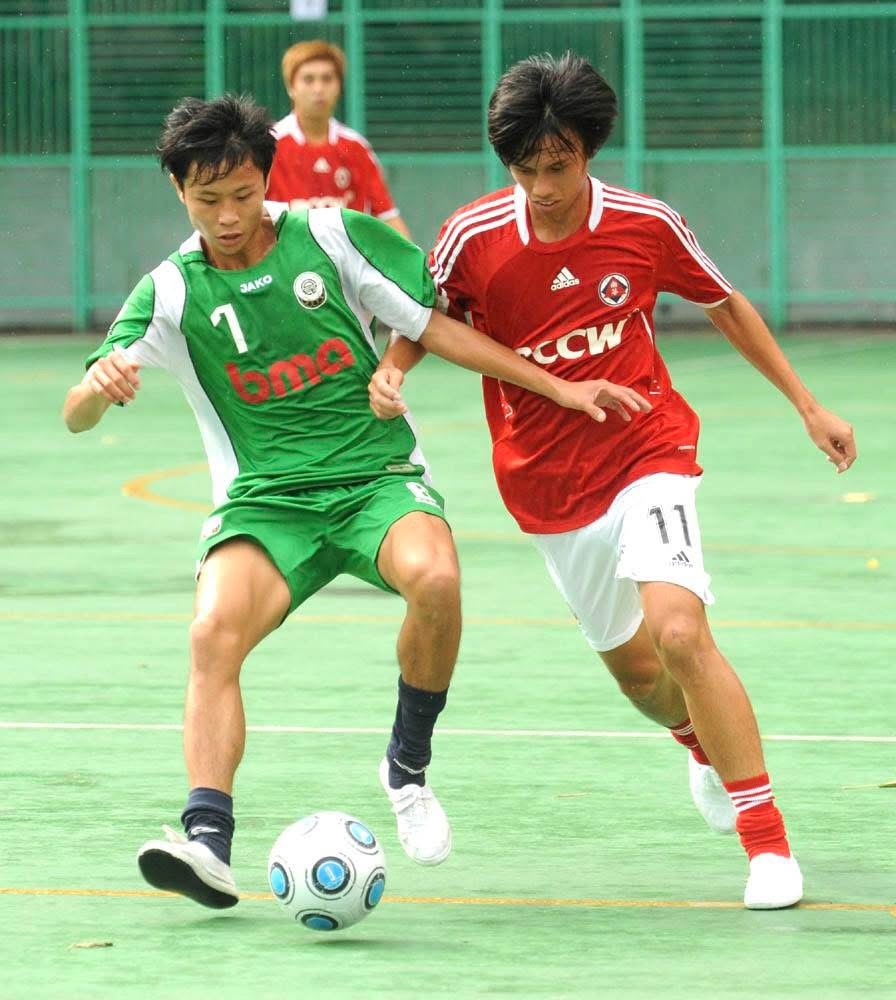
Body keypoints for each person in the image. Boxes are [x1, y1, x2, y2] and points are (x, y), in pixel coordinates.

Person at [61, 93, 645, 910]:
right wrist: (99, 384)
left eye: (243, 194)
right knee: (210, 633)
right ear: (177, 190)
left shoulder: (331, 235)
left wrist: (557, 386)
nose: (227, 216)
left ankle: (406, 766)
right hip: (267, 503)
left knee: (436, 580)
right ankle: (207, 843)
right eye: (206, 199)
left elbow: (433, 323)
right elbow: (76, 415)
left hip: (376, 478)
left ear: (268, 179)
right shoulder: (168, 291)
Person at [369, 53, 858, 910]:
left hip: (646, 449)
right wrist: (394, 368)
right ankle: (698, 744)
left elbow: (725, 304)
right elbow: (425, 315)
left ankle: (768, 844)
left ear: (589, 151)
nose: (543, 188)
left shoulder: (645, 223)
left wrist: (807, 405)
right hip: (546, 486)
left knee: (680, 632)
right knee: (641, 678)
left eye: (558, 167)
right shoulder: (472, 237)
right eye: (525, 170)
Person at [266, 39, 411, 239]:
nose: (318, 88)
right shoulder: (268, 145)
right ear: (291, 87)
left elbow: (387, 217)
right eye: (308, 79)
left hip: (347, 258)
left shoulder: (356, 147)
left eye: (327, 79)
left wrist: (413, 257)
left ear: (339, 87)